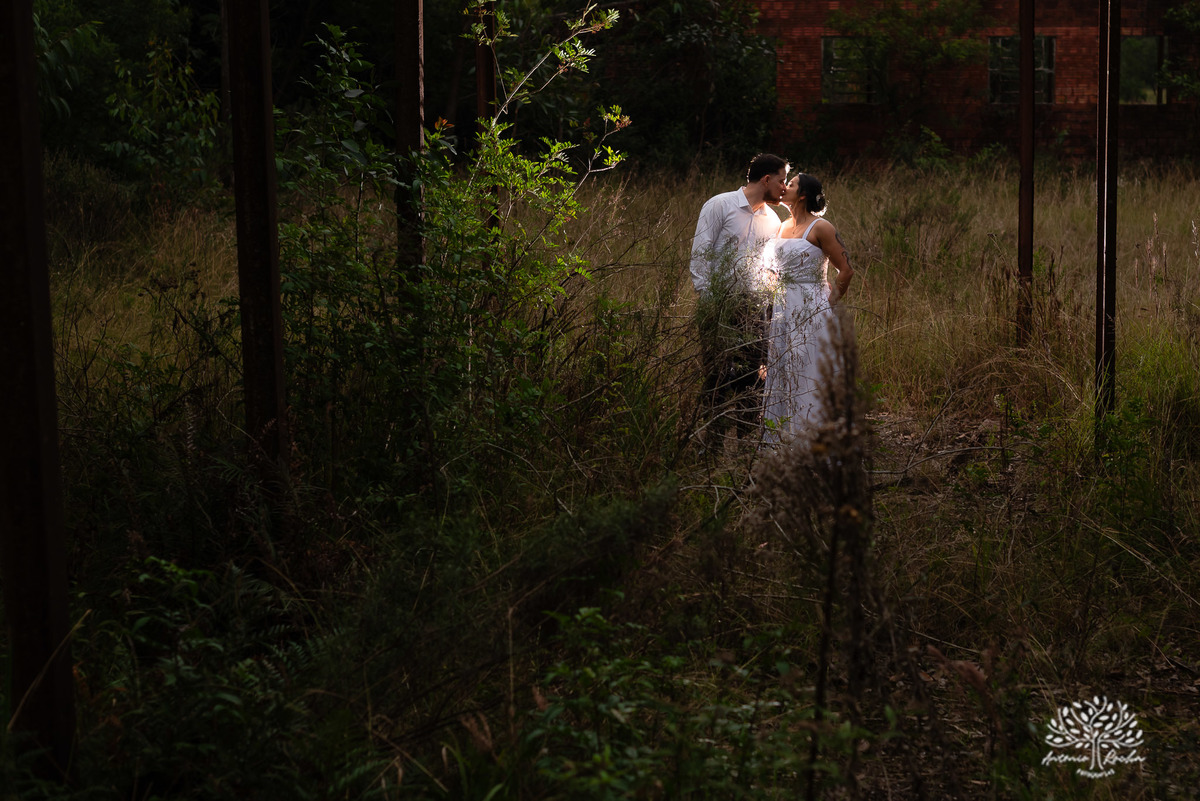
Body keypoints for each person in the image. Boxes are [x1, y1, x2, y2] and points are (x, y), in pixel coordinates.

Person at [690, 153, 788, 444]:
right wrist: (710, 301)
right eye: (781, 181)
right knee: (717, 374)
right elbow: (701, 253)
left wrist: (768, 304)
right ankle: (713, 444)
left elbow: (771, 268)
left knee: (754, 376)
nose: (784, 188)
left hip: (755, 308)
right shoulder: (719, 205)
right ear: (766, 179)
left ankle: (746, 445)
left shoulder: (773, 220)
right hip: (718, 303)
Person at [761, 172, 854, 440]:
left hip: (811, 306)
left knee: (808, 369)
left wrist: (826, 305)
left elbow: (846, 270)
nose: (784, 187)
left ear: (802, 195)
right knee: (782, 368)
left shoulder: (821, 227)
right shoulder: (781, 226)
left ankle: (815, 440)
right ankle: (782, 441)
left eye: (790, 184)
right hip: (782, 308)